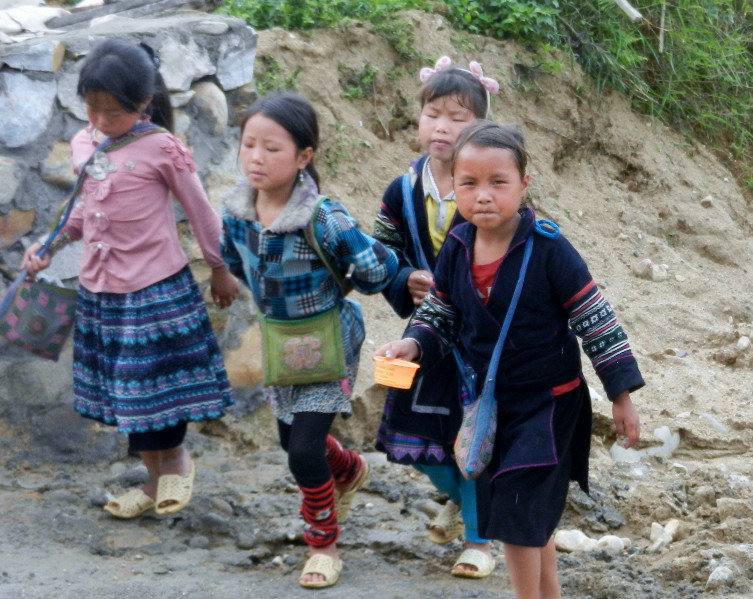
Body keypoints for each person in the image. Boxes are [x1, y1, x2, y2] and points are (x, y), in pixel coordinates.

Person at [375, 121, 643, 599]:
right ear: (453, 187)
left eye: (498, 182)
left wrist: (621, 396)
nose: (483, 196)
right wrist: (411, 344)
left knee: (518, 514)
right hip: (492, 403)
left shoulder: (549, 248)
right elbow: (440, 311)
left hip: (550, 404)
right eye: (469, 183)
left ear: (523, 185)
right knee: (527, 513)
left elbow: (596, 320)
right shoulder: (457, 248)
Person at [21, 40, 238, 519]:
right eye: (92, 108)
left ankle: (176, 461)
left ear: (143, 103)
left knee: (154, 386)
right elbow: (84, 215)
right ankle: (153, 479)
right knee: (127, 390)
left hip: (153, 288)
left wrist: (219, 267)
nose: (100, 121)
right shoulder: (85, 144)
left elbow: (201, 214)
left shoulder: (163, 148)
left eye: (113, 112)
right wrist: (48, 246)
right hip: (102, 291)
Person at [220, 92, 398, 589]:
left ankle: (324, 544)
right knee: (292, 440)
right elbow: (231, 260)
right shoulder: (236, 210)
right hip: (279, 343)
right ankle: (350, 469)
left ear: (304, 157)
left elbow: (372, 269)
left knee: (302, 451)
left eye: (271, 148)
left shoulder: (322, 216)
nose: (256, 157)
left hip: (329, 340)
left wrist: (388, 275)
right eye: (249, 144)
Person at [373, 56, 500, 578]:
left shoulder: (488, 188)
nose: (441, 127)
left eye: (457, 117)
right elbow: (379, 256)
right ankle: (457, 499)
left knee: (476, 433)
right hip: (425, 331)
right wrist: (404, 279)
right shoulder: (401, 191)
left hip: (480, 337)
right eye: (432, 113)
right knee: (417, 438)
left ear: (482, 127)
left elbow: (514, 255)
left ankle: (479, 540)